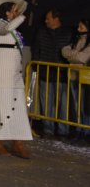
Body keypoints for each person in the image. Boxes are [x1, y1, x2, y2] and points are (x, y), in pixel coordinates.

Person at [0, 0, 33, 158]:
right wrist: (22, 16)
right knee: (1, 109)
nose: (16, 13)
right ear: (6, 12)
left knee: (18, 108)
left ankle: (17, 141)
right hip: (0, 75)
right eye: (13, 10)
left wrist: (22, 12)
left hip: (13, 75)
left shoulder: (13, 30)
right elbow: (6, 29)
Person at [31, 8, 72, 138]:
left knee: (63, 104)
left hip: (62, 74)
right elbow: (35, 49)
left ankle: (63, 130)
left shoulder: (68, 33)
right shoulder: (41, 32)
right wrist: (37, 65)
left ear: (56, 19)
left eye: (48, 18)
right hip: (45, 73)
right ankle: (48, 129)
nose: (45, 21)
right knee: (46, 103)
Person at [61, 19, 90, 142]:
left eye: (81, 27)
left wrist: (72, 55)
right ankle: (78, 129)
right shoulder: (76, 39)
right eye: (78, 27)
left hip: (86, 78)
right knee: (76, 105)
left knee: (86, 106)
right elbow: (63, 51)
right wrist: (75, 55)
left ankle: (85, 131)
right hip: (74, 75)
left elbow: (83, 58)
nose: (78, 30)